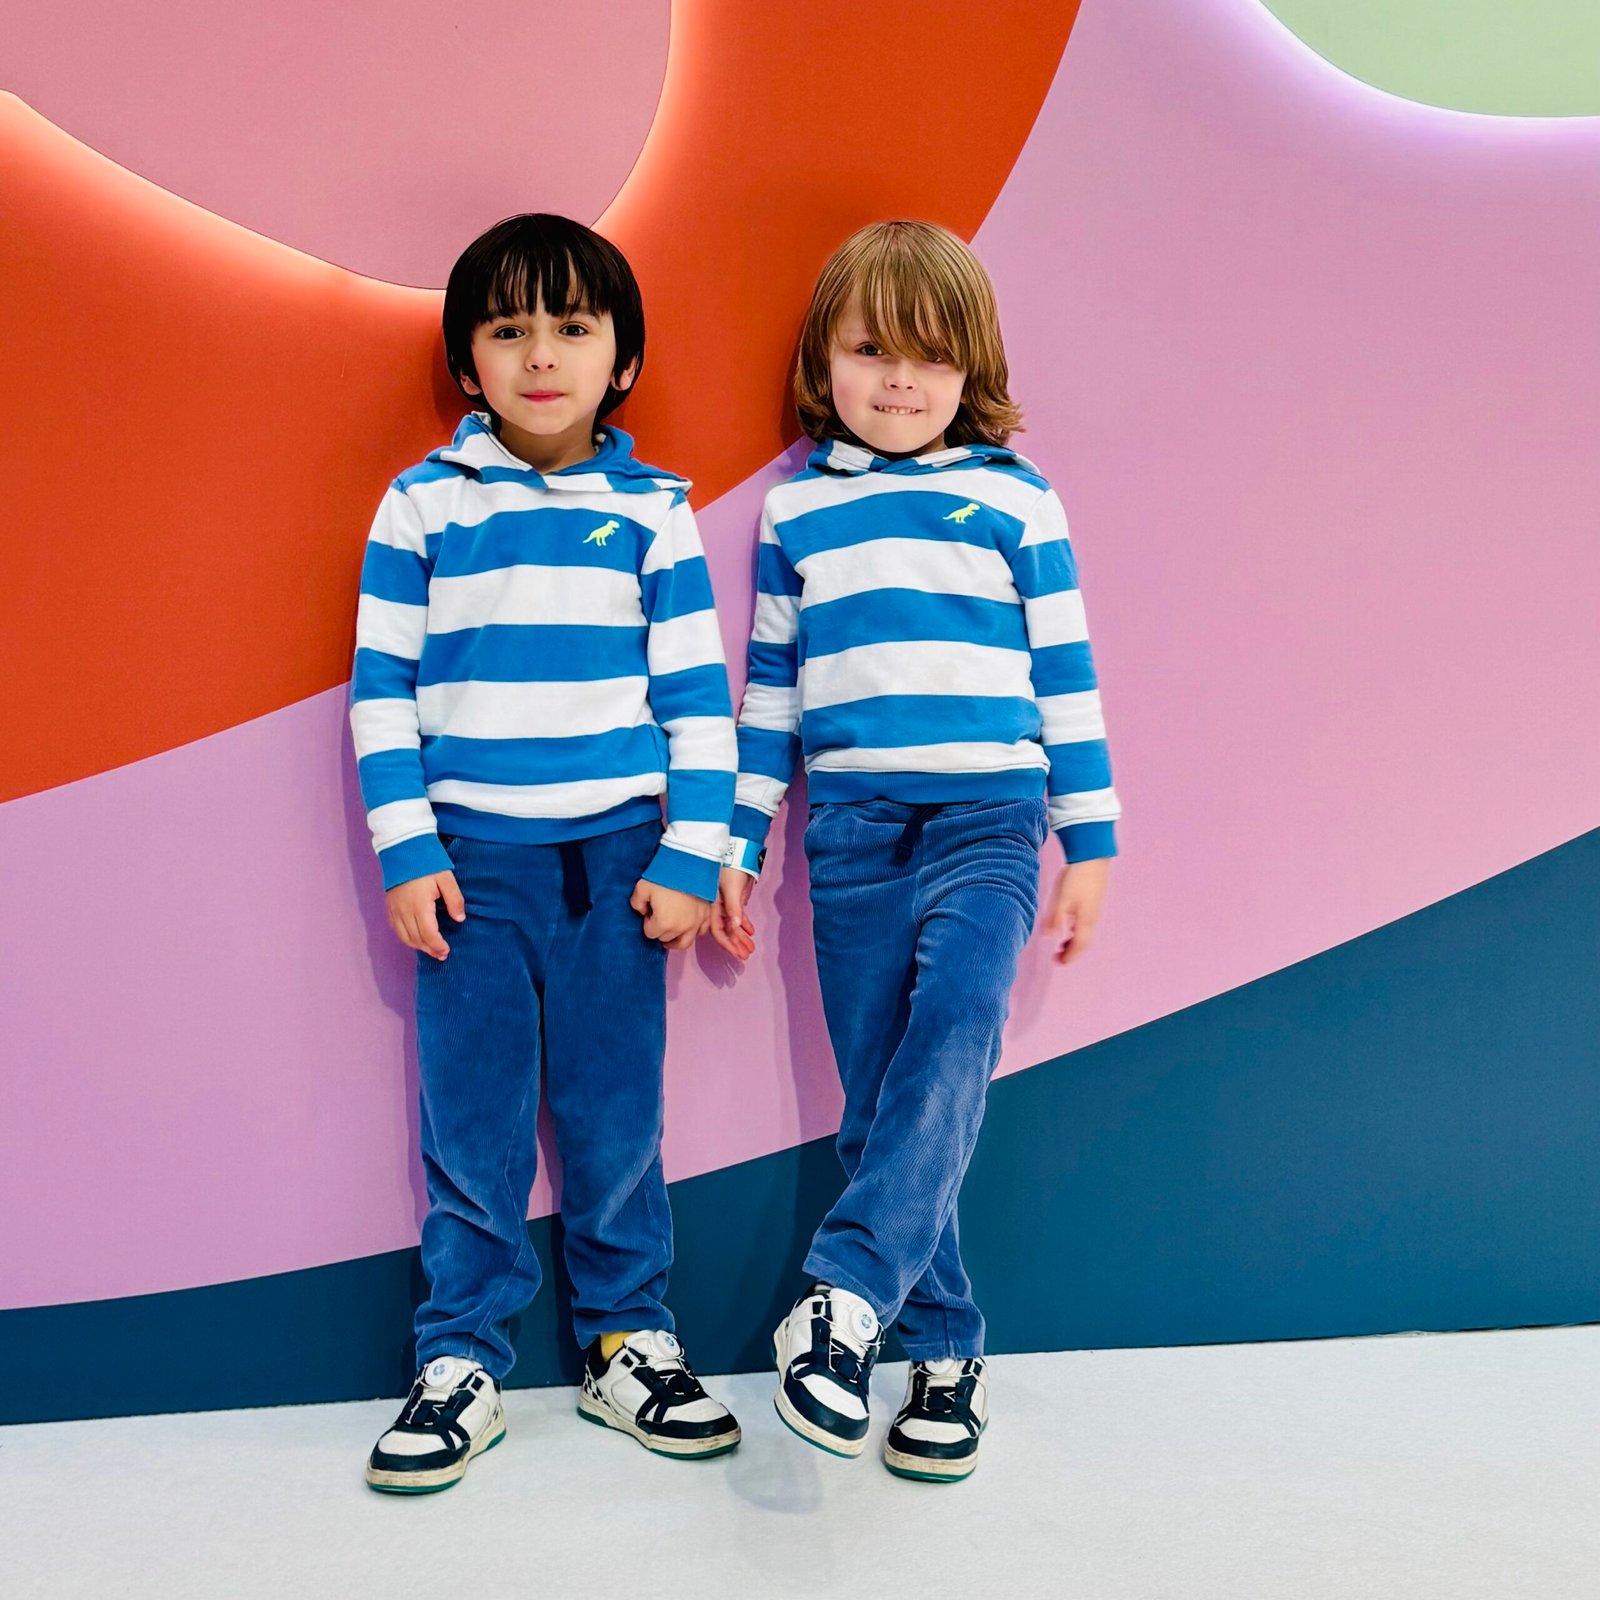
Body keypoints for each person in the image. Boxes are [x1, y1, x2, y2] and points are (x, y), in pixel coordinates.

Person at [715, 219, 1121, 1482]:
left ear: (971, 369)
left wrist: (1089, 840)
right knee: (884, 1094)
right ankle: (943, 1347)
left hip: (989, 817)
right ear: (823, 361)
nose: (899, 381)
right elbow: (770, 695)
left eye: (930, 358)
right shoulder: (795, 511)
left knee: (953, 1029)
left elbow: (1065, 672)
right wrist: (739, 838)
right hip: (849, 831)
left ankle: (837, 1298)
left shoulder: (1014, 496)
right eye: (871, 351)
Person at [351, 213, 741, 1493]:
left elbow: (697, 699)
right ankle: (459, 1357)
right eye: (508, 328)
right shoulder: (422, 505)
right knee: (471, 1130)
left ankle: (629, 1341)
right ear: (465, 360)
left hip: (619, 869)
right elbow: (381, 691)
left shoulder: (654, 511)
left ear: (622, 359)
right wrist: (407, 847)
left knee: (616, 1119)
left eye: (572, 327)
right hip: (469, 873)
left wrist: (692, 852)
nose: (539, 355)